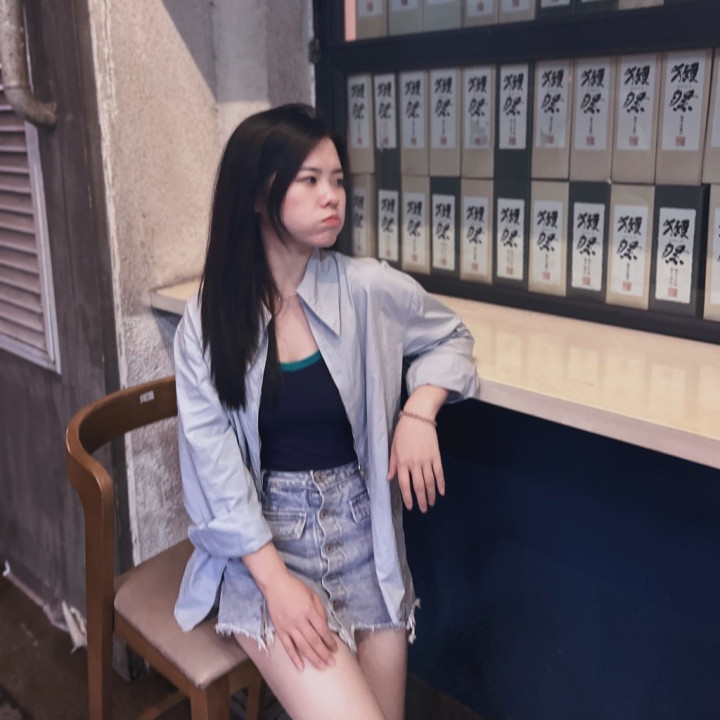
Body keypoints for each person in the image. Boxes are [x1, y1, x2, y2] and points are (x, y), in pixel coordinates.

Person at [173, 103, 479, 720]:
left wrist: (419, 411)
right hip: (266, 546)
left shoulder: (367, 287)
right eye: (310, 180)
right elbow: (218, 475)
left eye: (337, 179)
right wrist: (277, 587)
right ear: (257, 195)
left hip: (366, 534)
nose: (331, 196)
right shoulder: (207, 321)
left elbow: (452, 337)